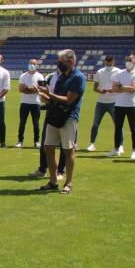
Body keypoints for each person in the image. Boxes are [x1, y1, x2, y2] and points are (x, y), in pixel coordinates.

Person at [38, 49, 86, 194]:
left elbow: (69, 100)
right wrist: (45, 97)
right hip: (54, 115)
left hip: (69, 117)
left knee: (68, 150)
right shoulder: (61, 77)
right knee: (48, 147)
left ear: (70, 61)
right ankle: (53, 181)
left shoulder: (78, 77)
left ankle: (68, 183)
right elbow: (56, 98)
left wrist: (49, 94)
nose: (58, 64)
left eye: (60, 62)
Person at [86, 55, 122, 153]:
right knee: (95, 124)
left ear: (113, 62)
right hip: (101, 102)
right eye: (107, 63)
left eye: (110, 63)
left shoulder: (119, 72)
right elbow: (94, 87)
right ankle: (92, 144)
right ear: (104, 62)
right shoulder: (100, 72)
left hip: (114, 102)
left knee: (118, 125)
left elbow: (121, 87)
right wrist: (100, 90)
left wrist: (113, 90)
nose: (108, 65)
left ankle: (120, 145)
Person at [110, 54, 135, 160]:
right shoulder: (120, 73)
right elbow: (114, 88)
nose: (128, 62)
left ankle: (134, 150)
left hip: (132, 105)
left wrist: (121, 86)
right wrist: (126, 88)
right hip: (119, 104)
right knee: (118, 128)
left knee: (133, 128)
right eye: (127, 60)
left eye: (130, 60)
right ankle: (116, 149)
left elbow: (133, 89)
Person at [16, 59, 44, 148]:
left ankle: (36, 141)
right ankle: (20, 141)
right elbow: (21, 89)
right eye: (30, 63)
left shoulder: (40, 76)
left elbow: (41, 90)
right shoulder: (23, 76)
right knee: (22, 123)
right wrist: (33, 89)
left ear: (37, 65)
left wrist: (28, 89)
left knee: (36, 123)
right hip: (24, 103)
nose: (32, 65)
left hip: (36, 103)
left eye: (34, 64)